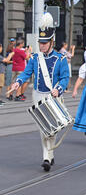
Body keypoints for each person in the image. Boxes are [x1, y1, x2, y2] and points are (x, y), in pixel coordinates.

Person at [10, 13, 69, 171]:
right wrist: (18, 82)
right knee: (43, 128)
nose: (41, 45)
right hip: (38, 96)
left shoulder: (60, 59)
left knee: (51, 128)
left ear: (52, 42)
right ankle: (46, 156)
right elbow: (26, 72)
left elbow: (65, 78)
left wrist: (58, 89)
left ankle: (49, 154)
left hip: (52, 96)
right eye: (40, 43)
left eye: (45, 43)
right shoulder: (35, 58)